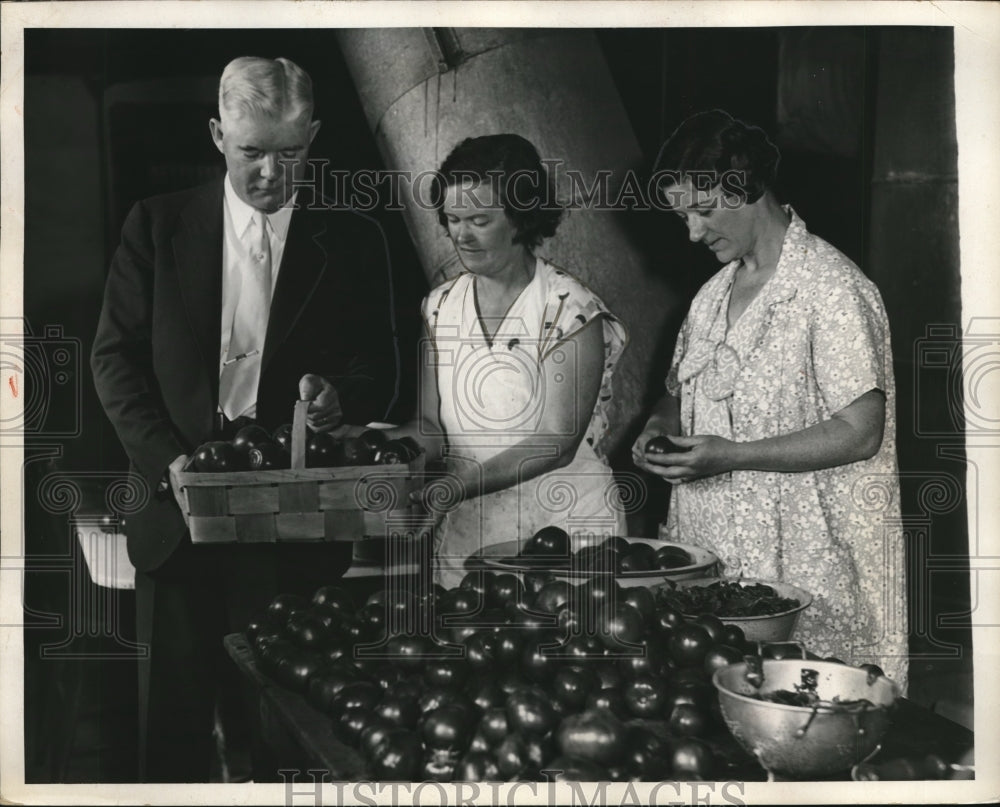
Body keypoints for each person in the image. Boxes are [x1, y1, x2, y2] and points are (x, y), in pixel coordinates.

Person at [91, 56, 398, 781]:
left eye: (289, 153)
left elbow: (379, 369)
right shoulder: (155, 225)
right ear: (217, 135)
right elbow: (114, 362)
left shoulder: (355, 239)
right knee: (173, 737)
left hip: (292, 528)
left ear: (313, 137)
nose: (270, 172)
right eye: (251, 151)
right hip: (177, 523)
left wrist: (341, 400)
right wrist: (169, 459)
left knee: (286, 730)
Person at [633, 110, 908, 691]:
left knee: (806, 715)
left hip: (808, 569)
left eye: (702, 210)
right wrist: (657, 428)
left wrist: (732, 454)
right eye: (681, 214)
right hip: (716, 563)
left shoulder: (831, 290)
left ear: (746, 185)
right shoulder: (711, 296)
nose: (691, 231)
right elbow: (678, 391)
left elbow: (862, 431)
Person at [389, 134, 628, 588]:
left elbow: (556, 440)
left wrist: (455, 487)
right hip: (472, 530)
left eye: (479, 219)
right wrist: (368, 444)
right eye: (453, 218)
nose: (462, 234)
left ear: (521, 217)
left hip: (568, 529)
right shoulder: (439, 307)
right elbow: (429, 425)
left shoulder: (568, 308)